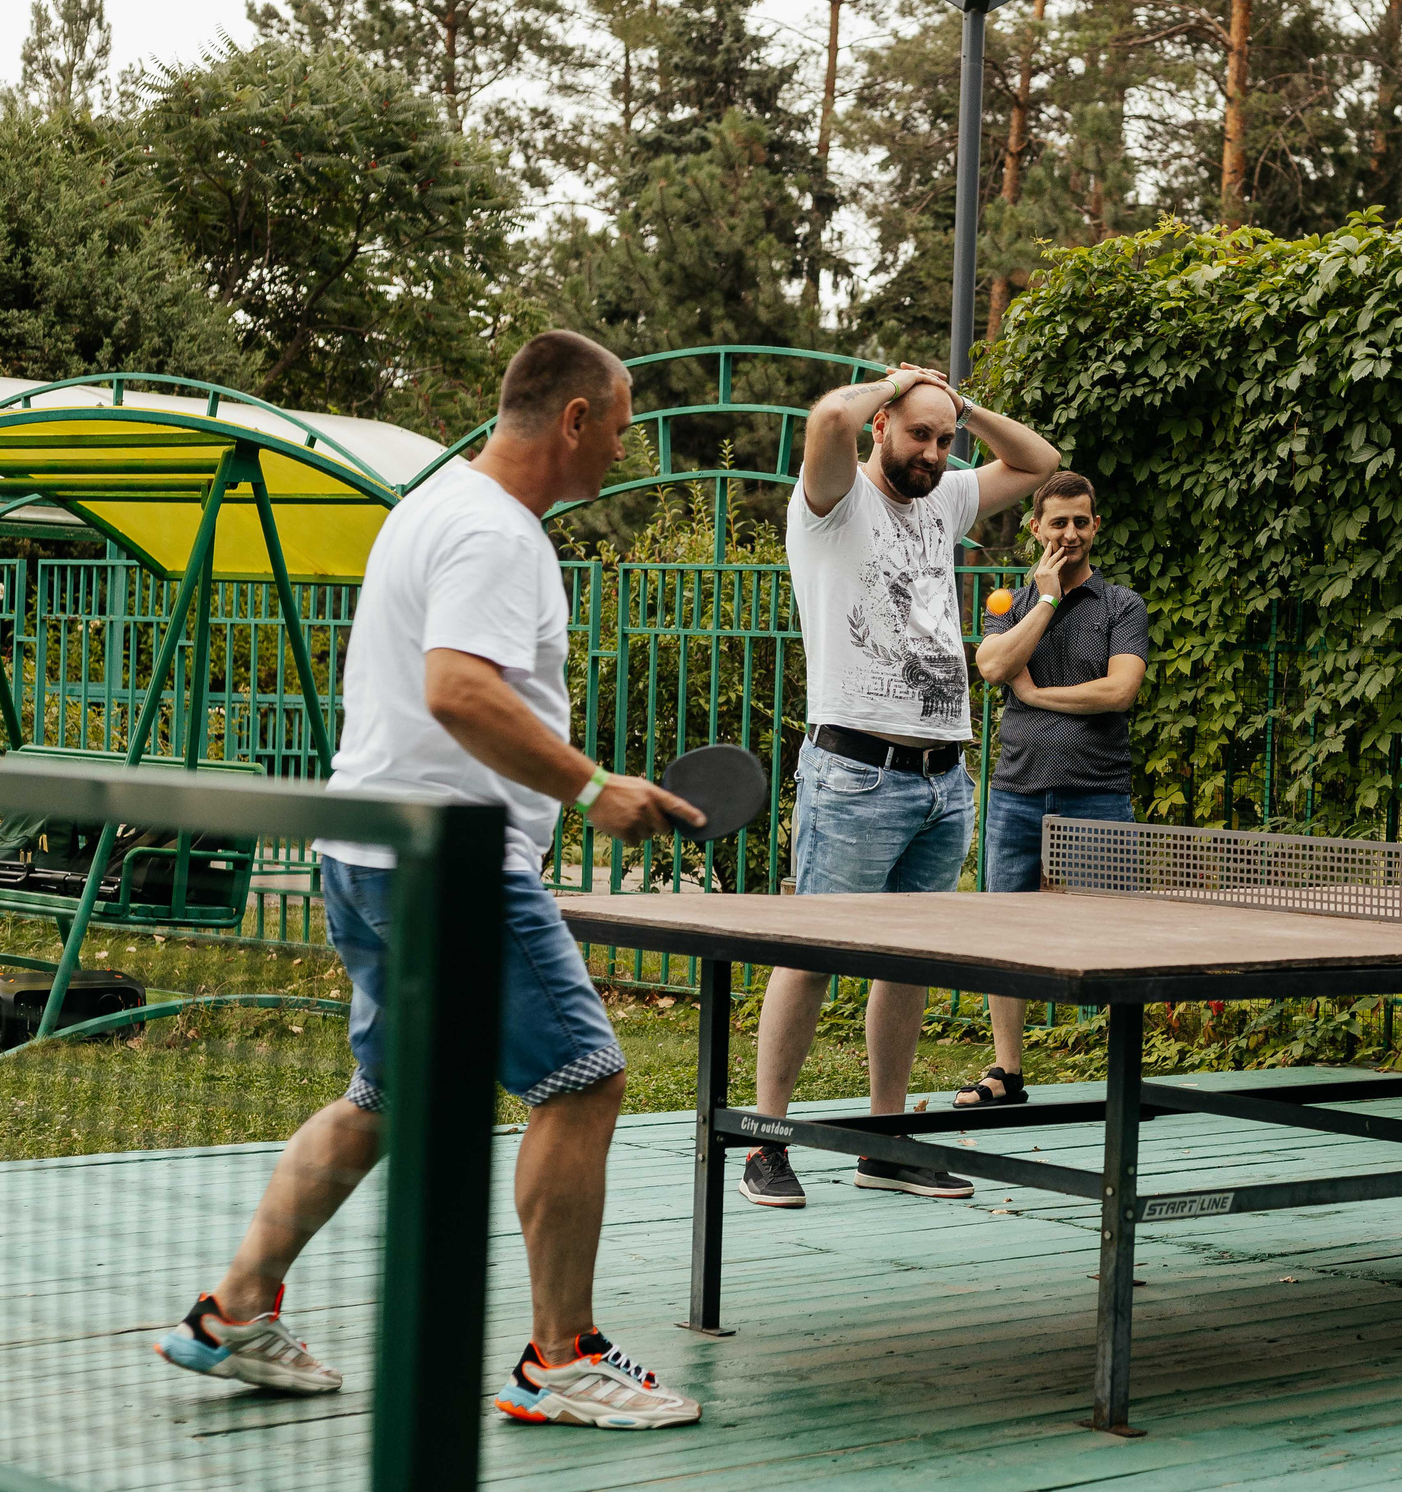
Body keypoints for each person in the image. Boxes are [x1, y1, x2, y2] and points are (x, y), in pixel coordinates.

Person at [158, 330, 710, 1429]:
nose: (629, 446)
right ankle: (560, 1359)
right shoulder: (497, 535)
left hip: (366, 851)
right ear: (575, 420)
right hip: (451, 866)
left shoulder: (430, 503)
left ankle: (233, 1312)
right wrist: (593, 782)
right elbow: (457, 689)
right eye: (625, 423)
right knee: (582, 1077)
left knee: (389, 1097)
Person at [737, 363, 1061, 1207]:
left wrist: (962, 403)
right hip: (853, 769)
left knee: (907, 965)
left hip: (942, 776)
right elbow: (820, 425)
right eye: (918, 433)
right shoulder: (834, 501)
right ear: (879, 425)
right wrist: (892, 383)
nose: (934, 451)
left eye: (944, 439)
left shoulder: (947, 498)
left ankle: (884, 1143)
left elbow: (1039, 459)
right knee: (809, 958)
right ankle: (766, 1140)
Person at [952, 470, 1150, 1108]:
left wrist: (1037, 697)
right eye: (1057, 521)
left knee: (1113, 937)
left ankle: (1123, 1072)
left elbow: (1120, 692)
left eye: (1080, 521)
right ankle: (1006, 1072)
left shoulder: (1123, 606)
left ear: (1096, 526)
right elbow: (992, 667)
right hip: (1016, 795)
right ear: (1035, 528)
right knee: (1002, 934)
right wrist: (1043, 600)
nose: (1069, 533)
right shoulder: (1006, 603)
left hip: (1098, 795)